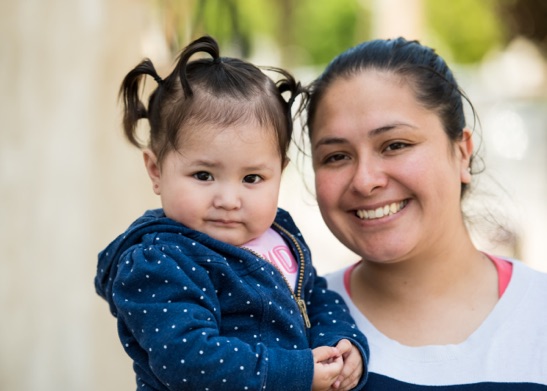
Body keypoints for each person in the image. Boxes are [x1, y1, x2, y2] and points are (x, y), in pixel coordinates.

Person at [95, 35, 368, 391]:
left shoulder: (278, 234)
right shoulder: (159, 261)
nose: (228, 199)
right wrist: (296, 372)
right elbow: (191, 361)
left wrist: (343, 346)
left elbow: (314, 297)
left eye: (251, 178)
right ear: (156, 170)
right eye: (203, 175)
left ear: (279, 174)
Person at [304, 37, 547, 389]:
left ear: (462, 153)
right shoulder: (284, 329)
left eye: (395, 145)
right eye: (336, 156)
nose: (365, 180)